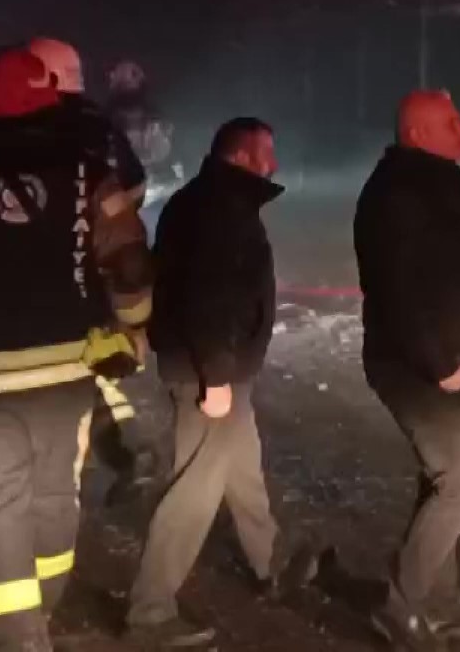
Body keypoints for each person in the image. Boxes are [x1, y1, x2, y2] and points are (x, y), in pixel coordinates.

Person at [0, 48, 154, 652]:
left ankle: (17, 633)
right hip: (65, 379)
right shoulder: (89, 177)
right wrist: (133, 332)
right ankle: (30, 623)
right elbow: (128, 264)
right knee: (55, 502)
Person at [125, 118, 317, 647]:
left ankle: (271, 563)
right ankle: (150, 610)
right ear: (241, 155)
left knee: (243, 468)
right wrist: (216, 376)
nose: (272, 164)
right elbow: (210, 300)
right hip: (208, 372)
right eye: (265, 152)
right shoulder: (221, 212)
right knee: (195, 485)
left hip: (214, 369)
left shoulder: (204, 201)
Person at [356, 90, 460, 650]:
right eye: (453, 122)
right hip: (427, 369)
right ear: (418, 134)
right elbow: (398, 289)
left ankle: (440, 603)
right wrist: (440, 362)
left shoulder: (432, 187)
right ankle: (400, 604)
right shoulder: (399, 197)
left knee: (442, 478)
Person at [28, 36, 156, 503]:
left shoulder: (24, 125)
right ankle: (124, 451)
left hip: (40, 277)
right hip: (101, 271)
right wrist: (109, 220)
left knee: (67, 372)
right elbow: (136, 185)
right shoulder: (99, 124)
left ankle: (74, 475)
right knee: (96, 363)